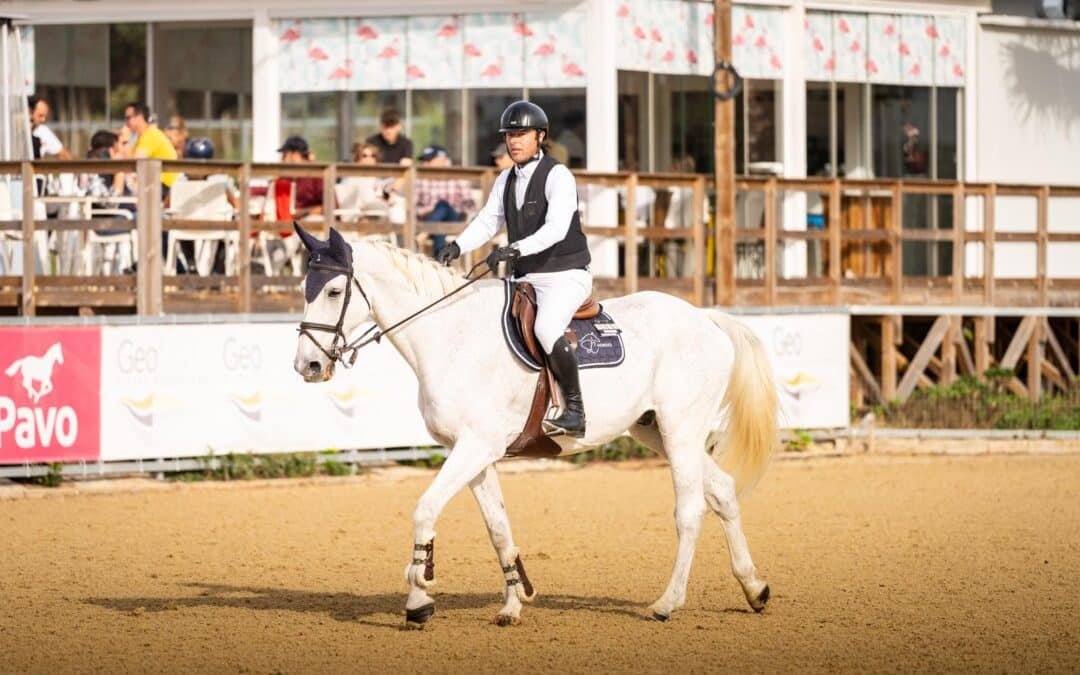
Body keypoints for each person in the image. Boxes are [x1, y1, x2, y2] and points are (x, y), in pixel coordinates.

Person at [437, 101, 591, 438]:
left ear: (540, 136)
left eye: (521, 134)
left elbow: (556, 228)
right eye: (510, 135)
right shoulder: (506, 178)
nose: (514, 141)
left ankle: (575, 410)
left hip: (564, 274)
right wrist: (457, 245)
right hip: (525, 276)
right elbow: (488, 220)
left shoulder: (558, 175)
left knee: (548, 328)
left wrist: (513, 248)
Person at [415, 144, 474, 257]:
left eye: (429, 160)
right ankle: (441, 263)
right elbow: (413, 205)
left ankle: (425, 232)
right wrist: (426, 212)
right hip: (429, 218)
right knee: (439, 225)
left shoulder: (457, 175)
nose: (425, 163)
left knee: (443, 205)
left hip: (453, 218)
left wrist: (456, 209)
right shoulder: (420, 179)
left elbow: (469, 204)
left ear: (442, 159)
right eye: (424, 160)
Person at [123, 102, 179, 197]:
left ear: (139, 117)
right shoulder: (143, 136)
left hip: (163, 187)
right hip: (156, 185)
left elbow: (132, 164)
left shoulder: (150, 135)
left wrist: (125, 141)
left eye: (128, 118)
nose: (126, 123)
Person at [27, 95, 73, 160]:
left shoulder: (43, 130)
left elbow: (64, 154)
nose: (43, 120)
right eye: (40, 116)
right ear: (29, 112)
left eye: (45, 116)